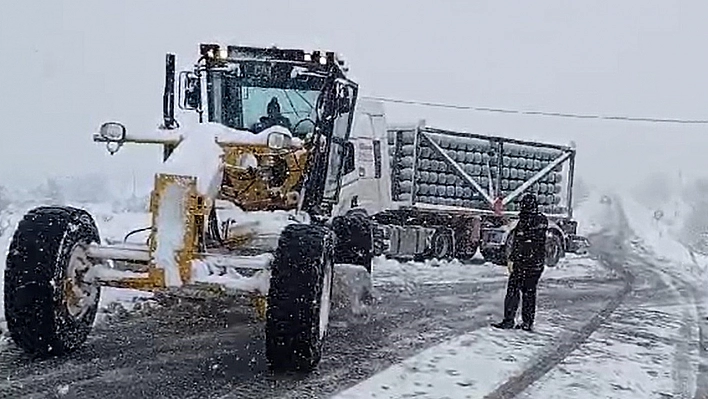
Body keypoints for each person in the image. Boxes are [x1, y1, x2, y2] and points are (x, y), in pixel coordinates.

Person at [491, 193, 548, 331]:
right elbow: (521, 242)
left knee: (518, 292)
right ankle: (522, 321)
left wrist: (515, 258)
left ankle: (515, 321)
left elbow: (524, 243)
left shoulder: (531, 221)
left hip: (527, 263)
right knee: (524, 292)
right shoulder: (534, 220)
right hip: (531, 263)